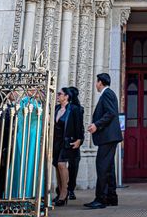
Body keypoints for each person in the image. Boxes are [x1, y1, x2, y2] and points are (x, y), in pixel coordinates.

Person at [84, 73, 122, 209]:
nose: (95, 85)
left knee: (102, 167)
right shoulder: (108, 94)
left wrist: (96, 125)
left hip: (108, 137)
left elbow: (111, 113)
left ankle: (100, 199)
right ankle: (111, 197)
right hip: (109, 137)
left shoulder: (107, 94)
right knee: (109, 167)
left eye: (96, 82)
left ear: (100, 82)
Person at [52, 87, 84, 206]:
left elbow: (79, 126)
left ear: (66, 96)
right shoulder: (56, 108)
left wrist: (79, 140)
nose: (58, 95)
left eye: (60, 94)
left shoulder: (75, 109)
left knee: (61, 164)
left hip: (67, 142)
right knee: (56, 165)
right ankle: (60, 192)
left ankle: (64, 193)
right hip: (56, 142)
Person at [66, 86, 83, 200]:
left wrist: (80, 140)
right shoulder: (60, 108)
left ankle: (71, 189)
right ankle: (62, 190)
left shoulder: (78, 109)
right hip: (63, 141)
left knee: (73, 166)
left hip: (74, 141)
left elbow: (80, 127)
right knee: (60, 165)